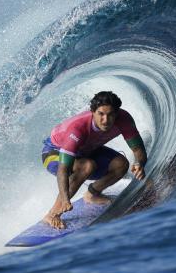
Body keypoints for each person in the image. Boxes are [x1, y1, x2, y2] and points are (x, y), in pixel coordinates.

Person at [41, 91, 147, 229]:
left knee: (121, 164)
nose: (106, 120)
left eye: (110, 114)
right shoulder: (78, 128)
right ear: (92, 112)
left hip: (86, 151)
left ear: (117, 113)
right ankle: (52, 214)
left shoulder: (124, 119)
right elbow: (63, 170)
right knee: (86, 166)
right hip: (53, 152)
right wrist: (65, 198)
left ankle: (92, 194)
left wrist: (140, 163)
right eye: (101, 114)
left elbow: (139, 150)